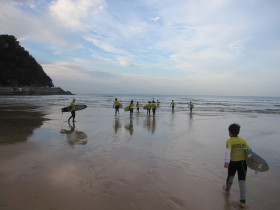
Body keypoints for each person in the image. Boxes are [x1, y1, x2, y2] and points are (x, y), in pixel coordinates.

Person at [223, 123, 251, 208]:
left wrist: (226, 161)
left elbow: (228, 151)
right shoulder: (243, 141)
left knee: (230, 177)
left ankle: (227, 190)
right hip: (243, 163)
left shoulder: (229, 141)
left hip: (233, 163)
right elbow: (250, 151)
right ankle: (243, 201)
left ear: (230, 132)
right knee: (242, 181)